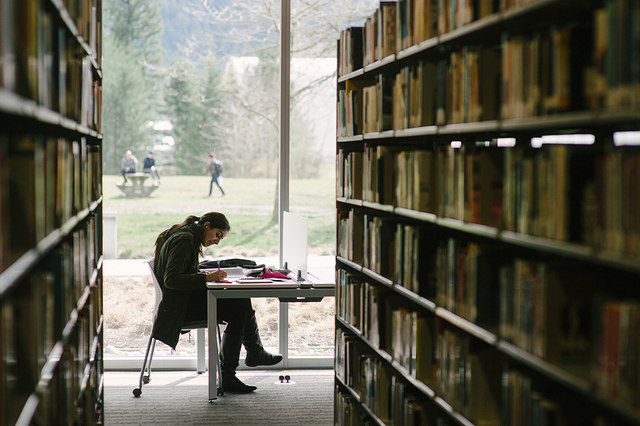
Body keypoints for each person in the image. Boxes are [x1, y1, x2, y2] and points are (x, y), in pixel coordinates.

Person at [151, 212, 282, 393]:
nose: (217, 241)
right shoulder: (185, 239)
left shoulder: (185, 233)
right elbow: (172, 280)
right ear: (207, 225)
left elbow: (180, 273)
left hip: (179, 302)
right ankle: (239, 365)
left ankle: (251, 355)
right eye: (218, 234)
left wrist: (204, 275)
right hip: (178, 309)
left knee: (240, 301)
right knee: (238, 310)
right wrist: (207, 278)